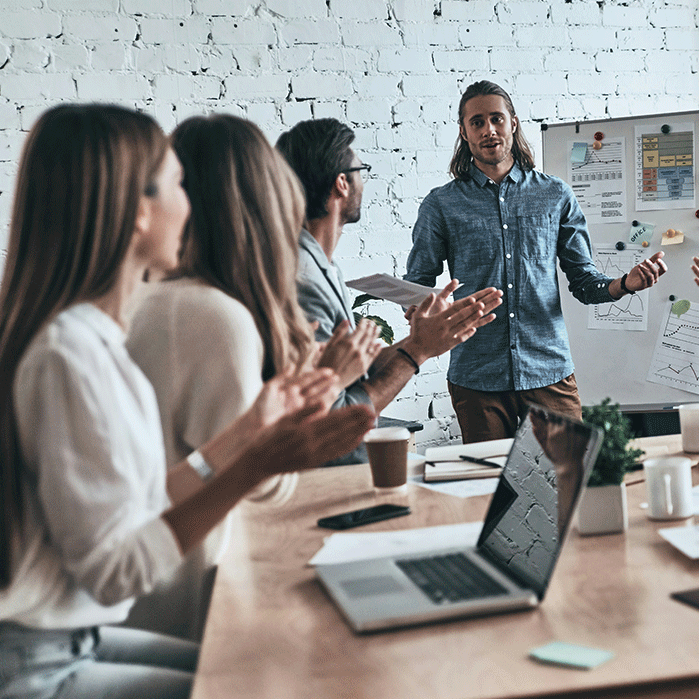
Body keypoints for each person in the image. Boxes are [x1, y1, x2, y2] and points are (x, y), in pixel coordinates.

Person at [0, 104, 374, 699]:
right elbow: (115, 572)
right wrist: (256, 459)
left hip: (74, 639)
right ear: (140, 212)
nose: (191, 205)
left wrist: (249, 430)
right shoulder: (66, 356)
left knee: (278, 670)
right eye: (178, 184)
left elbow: (141, 507)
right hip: (39, 664)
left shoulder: (91, 339)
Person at [125, 113, 382, 640]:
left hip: (158, 591)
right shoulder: (211, 316)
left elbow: (201, 465)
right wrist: (321, 389)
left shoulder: (157, 301)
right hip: (186, 604)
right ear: (266, 201)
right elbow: (262, 486)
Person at [405, 80, 668, 444]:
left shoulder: (554, 194)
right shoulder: (440, 205)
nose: (488, 130)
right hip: (477, 378)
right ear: (464, 132)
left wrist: (625, 284)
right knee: (491, 494)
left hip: (549, 371)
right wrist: (420, 308)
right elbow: (418, 284)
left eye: (496, 119)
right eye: (477, 122)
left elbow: (584, 282)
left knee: (569, 481)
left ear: (513, 123)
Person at [276, 117, 504, 463]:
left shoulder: (322, 266)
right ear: (342, 183)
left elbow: (350, 373)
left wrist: (431, 336)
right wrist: (418, 350)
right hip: (331, 480)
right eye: (360, 170)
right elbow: (335, 416)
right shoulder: (305, 281)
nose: (363, 181)